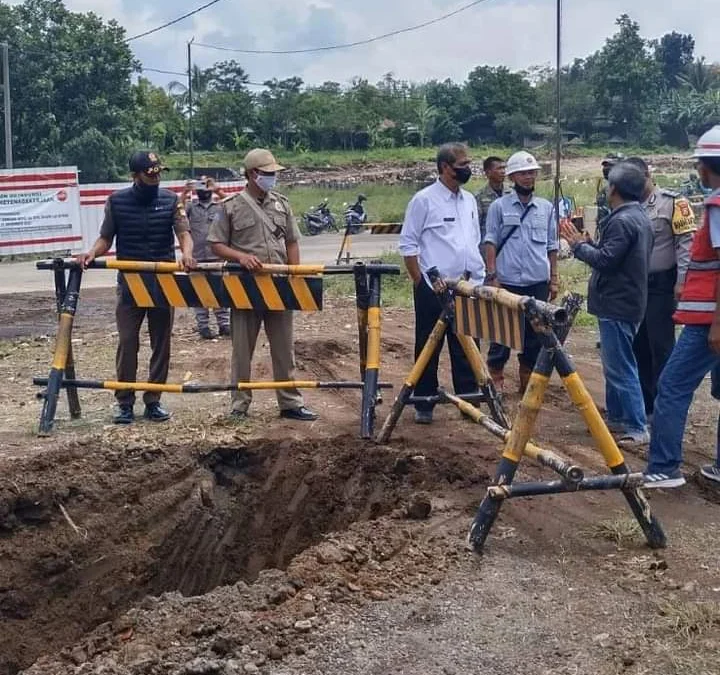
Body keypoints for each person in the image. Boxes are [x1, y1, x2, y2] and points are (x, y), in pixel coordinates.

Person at [78, 151, 196, 424]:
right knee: (128, 342)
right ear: (135, 176)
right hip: (130, 285)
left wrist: (187, 254)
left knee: (161, 343)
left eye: (158, 173)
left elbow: (184, 233)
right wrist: (92, 253)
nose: (155, 179)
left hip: (163, 284)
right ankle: (125, 402)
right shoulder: (117, 202)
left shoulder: (170, 201)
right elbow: (106, 238)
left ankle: (153, 400)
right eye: (149, 174)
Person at [208, 148, 318, 422]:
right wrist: (240, 257)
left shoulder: (281, 204)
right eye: (268, 174)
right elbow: (215, 244)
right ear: (253, 174)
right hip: (245, 288)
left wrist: (294, 276)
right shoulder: (231, 206)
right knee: (242, 349)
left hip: (279, 285)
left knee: (284, 348)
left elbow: (292, 241)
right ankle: (239, 403)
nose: (273, 178)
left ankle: (290, 402)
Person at [642, 126, 720, 488]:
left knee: (672, 386)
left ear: (708, 167)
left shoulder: (717, 206)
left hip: (709, 320)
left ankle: (664, 468)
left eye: (701, 165)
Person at [560, 161, 653, 447]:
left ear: (614, 189)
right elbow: (615, 256)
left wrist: (577, 246)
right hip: (628, 300)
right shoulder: (638, 216)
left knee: (620, 366)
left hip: (617, 303)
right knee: (616, 362)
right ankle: (616, 416)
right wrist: (591, 244)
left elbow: (606, 262)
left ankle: (636, 426)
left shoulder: (622, 220)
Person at [398, 142, 486, 425]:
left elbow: (472, 241)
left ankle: (469, 399)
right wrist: (419, 282)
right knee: (429, 344)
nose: (467, 169)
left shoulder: (469, 201)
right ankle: (424, 401)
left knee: (466, 343)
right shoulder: (424, 200)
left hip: (464, 285)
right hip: (432, 288)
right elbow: (409, 245)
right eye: (462, 165)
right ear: (445, 168)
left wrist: (475, 274)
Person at [625, 157, 696, 419]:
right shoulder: (627, 204)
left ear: (647, 174)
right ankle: (645, 405)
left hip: (662, 286)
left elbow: (685, 245)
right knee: (638, 345)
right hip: (635, 286)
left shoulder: (674, 202)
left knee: (661, 346)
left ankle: (664, 407)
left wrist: (682, 282)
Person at [483, 150, 559, 394]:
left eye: (532, 173)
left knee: (535, 336)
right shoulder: (498, 207)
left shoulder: (546, 208)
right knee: (502, 335)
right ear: (513, 177)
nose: (528, 177)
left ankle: (527, 378)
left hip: (537, 281)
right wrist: (492, 276)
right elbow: (491, 242)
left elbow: (552, 246)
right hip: (508, 282)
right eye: (523, 173)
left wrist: (554, 278)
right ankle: (495, 375)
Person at [182, 176, 231, 340]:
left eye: (206, 185)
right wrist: (184, 192)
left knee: (220, 292)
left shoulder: (220, 206)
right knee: (199, 293)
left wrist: (217, 190)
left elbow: (236, 205)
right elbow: (178, 213)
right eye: (200, 185)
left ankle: (224, 324)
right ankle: (203, 326)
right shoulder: (190, 207)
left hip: (217, 258)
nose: (203, 188)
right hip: (196, 258)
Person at [475, 156, 507, 243]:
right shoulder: (479, 197)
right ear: (488, 172)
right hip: (488, 244)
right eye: (499, 168)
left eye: (504, 168)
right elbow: (476, 225)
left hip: (509, 247)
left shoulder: (512, 194)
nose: (503, 172)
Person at [595, 153, 625, 226]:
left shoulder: (629, 190)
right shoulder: (603, 192)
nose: (606, 168)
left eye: (610, 166)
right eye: (605, 166)